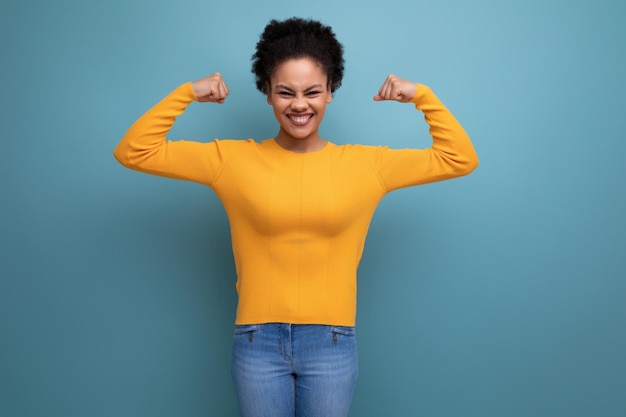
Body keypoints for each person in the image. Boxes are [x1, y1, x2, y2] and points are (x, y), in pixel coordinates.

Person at [114, 17, 478, 417]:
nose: (299, 104)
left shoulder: (366, 165)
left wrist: (422, 96)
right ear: (268, 94)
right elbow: (134, 150)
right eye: (285, 92)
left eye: (312, 92)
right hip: (256, 343)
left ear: (329, 94)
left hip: (332, 343)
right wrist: (186, 93)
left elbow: (459, 158)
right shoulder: (232, 160)